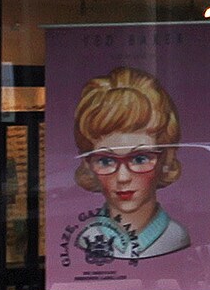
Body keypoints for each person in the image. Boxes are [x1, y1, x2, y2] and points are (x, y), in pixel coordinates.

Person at [71, 67, 191, 262]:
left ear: (166, 157)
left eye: (139, 159)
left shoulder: (176, 236)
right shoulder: (87, 238)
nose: (123, 177)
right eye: (106, 160)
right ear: (88, 163)